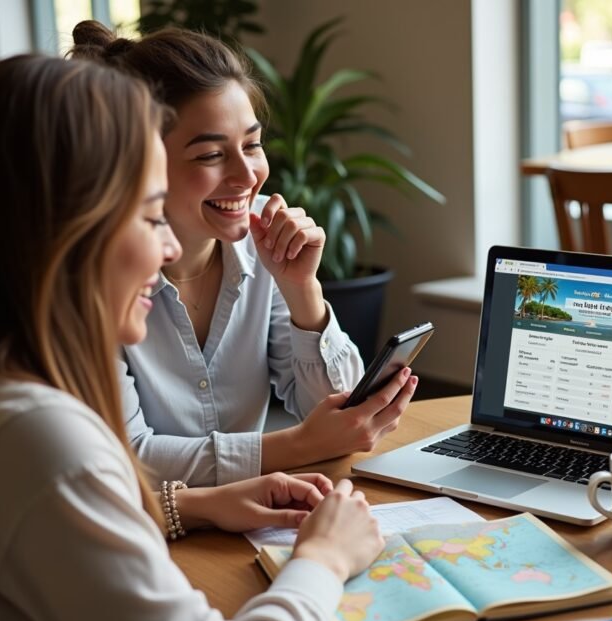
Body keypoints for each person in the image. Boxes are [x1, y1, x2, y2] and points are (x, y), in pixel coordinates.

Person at [0, 54, 384, 621]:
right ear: (66, 231)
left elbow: (343, 406)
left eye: (252, 144)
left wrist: (193, 505)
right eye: (148, 215)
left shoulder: (14, 394)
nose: (169, 246)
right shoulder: (39, 439)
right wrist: (325, 559)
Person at [70, 21, 418, 486]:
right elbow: (129, 459)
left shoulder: (259, 240)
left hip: (249, 517)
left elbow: (336, 414)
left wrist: (302, 290)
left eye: (252, 145)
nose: (246, 175)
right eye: (211, 155)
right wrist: (300, 445)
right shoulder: (94, 279)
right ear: (139, 163)